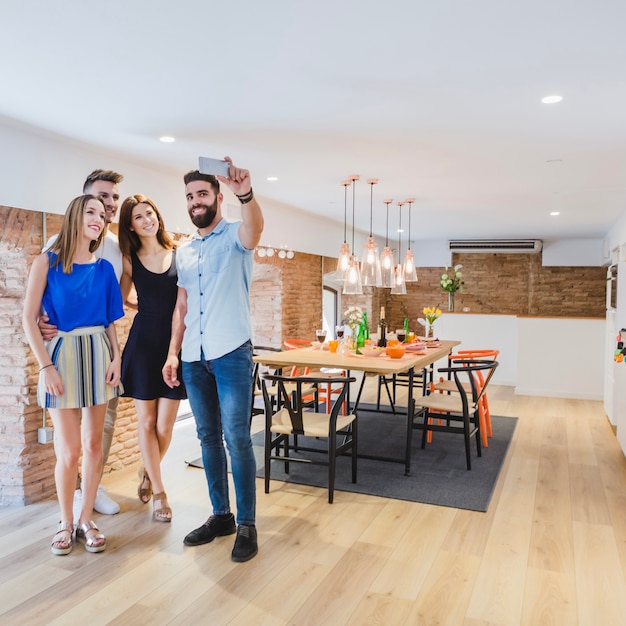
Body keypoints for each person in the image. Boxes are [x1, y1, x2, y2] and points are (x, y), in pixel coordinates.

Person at [163, 156, 263, 562]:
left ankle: (248, 525)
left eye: (201, 193)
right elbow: (181, 308)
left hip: (232, 352)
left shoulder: (236, 237)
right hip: (193, 358)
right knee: (206, 437)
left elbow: (255, 230)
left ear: (218, 198)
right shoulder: (184, 254)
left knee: (236, 438)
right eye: (189, 196)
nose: (194, 201)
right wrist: (173, 353)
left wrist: (247, 193)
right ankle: (221, 515)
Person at [22, 195, 124, 555]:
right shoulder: (46, 263)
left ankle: (85, 518)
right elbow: (28, 319)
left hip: (98, 355)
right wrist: (45, 367)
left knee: (94, 445)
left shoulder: (105, 270)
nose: (98, 219)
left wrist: (117, 358)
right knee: (68, 450)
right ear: (74, 218)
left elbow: (110, 321)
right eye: (91, 212)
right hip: (61, 357)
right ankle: (65, 520)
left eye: (102, 214)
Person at [118, 194, 186, 522]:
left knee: (164, 425)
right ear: (130, 225)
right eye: (139, 217)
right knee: (146, 422)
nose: (148, 220)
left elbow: (185, 304)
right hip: (143, 343)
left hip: (174, 344)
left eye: (150, 213)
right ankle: (160, 492)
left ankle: (148, 472)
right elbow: (117, 301)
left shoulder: (180, 254)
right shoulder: (130, 258)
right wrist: (138, 307)